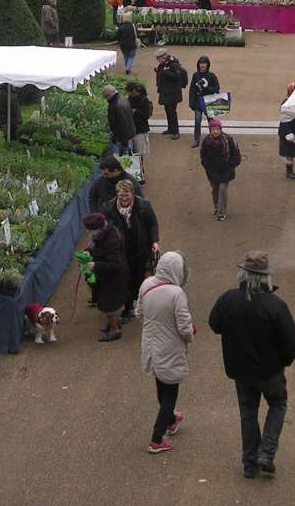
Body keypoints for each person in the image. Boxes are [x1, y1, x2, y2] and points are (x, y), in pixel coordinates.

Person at [209, 251, 295, 479]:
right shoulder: (275, 305)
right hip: (270, 371)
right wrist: (284, 362)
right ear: (265, 276)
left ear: (242, 274)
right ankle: (266, 453)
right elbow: (291, 341)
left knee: (247, 413)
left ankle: (249, 463)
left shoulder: (228, 299)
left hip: (240, 371)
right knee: (278, 405)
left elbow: (214, 324)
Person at [138, 251, 194, 455]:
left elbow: (139, 312)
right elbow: (185, 327)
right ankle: (156, 438)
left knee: (161, 384)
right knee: (171, 391)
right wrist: (189, 337)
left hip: (151, 346)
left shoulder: (146, 284)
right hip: (170, 347)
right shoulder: (176, 293)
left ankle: (170, 419)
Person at [106, 179, 160, 321]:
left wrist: (154, 241)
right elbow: (106, 228)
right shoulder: (109, 208)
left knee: (143, 278)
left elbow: (152, 224)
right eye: (121, 195)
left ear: (133, 193)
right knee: (125, 279)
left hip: (141, 247)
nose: (124, 198)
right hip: (121, 250)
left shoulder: (143, 206)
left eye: (127, 195)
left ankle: (146, 306)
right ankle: (128, 307)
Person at [82, 211, 128, 342]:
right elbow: (94, 246)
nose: (90, 234)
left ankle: (115, 330)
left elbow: (115, 264)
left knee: (109, 306)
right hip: (107, 278)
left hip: (113, 279)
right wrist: (88, 251)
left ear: (98, 228)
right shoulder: (104, 232)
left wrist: (95, 266)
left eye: (92, 230)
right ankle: (112, 324)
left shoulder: (111, 239)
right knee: (108, 304)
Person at [200, 118, 241, 221]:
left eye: (217, 129)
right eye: (213, 129)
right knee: (215, 190)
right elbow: (203, 156)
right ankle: (217, 206)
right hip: (213, 171)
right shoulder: (206, 142)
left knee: (222, 190)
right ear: (210, 130)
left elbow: (236, 155)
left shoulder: (229, 140)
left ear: (220, 129)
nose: (215, 131)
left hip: (225, 171)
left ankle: (221, 212)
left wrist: (231, 165)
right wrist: (207, 166)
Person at [189, 55, 220, 147]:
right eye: (201, 63)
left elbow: (216, 88)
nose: (202, 65)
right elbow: (192, 90)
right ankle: (196, 139)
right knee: (197, 121)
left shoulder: (212, 76)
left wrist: (207, 88)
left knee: (211, 121)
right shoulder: (195, 75)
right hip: (198, 102)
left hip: (209, 101)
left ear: (207, 65)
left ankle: (215, 137)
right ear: (198, 65)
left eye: (204, 63)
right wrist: (192, 102)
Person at [155, 50, 187, 140]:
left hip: (173, 93)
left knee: (172, 112)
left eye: (158, 58)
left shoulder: (173, 64)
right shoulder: (164, 65)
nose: (158, 60)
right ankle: (170, 128)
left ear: (163, 57)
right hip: (166, 92)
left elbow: (177, 76)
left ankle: (175, 132)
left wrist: (165, 72)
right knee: (167, 110)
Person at [103, 84, 137, 156]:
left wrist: (124, 142)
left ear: (109, 95)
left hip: (123, 137)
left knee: (125, 158)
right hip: (129, 133)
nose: (106, 99)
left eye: (106, 97)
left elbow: (123, 125)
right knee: (127, 156)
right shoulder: (123, 99)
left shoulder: (116, 105)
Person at [127, 81, 153, 163]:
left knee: (138, 152)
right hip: (131, 129)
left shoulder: (144, 100)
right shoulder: (129, 99)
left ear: (134, 91)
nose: (128, 94)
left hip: (140, 129)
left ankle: (140, 170)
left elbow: (146, 115)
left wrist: (135, 111)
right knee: (132, 152)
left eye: (129, 92)